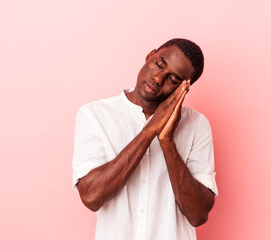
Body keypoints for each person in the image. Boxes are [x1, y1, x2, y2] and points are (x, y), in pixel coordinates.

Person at [72, 38, 218, 240]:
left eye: (173, 79)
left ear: (184, 87)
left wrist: (167, 142)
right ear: (150, 56)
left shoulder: (196, 125)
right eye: (159, 64)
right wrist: (149, 132)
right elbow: (91, 197)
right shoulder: (95, 115)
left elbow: (198, 215)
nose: (158, 79)